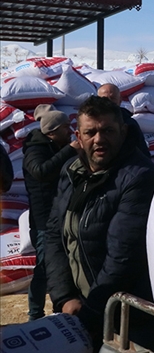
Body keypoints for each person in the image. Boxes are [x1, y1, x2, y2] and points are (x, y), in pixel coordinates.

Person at [43, 96, 154, 350]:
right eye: (91, 132)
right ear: (78, 135)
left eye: (107, 130)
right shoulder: (72, 171)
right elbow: (55, 234)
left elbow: (123, 254)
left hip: (126, 319)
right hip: (80, 310)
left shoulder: (139, 177)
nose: (99, 139)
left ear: (123, 131)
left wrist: (91, 312)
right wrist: (64, 297)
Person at [23, 105, 80, 321]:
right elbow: (41, 172)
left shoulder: (56, 146)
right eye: (66, 127)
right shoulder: (34, 149)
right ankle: (35, 314)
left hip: (62, 214)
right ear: (52, 131)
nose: (70, 131)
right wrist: (69, 151)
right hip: (43, 219)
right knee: (44, 267)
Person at [97, 83, 149, 156]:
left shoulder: (130, 125)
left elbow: (142, 154)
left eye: (112, 98)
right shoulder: (89, 121)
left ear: (120, 100)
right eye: (104, 99)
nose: (108, 102)